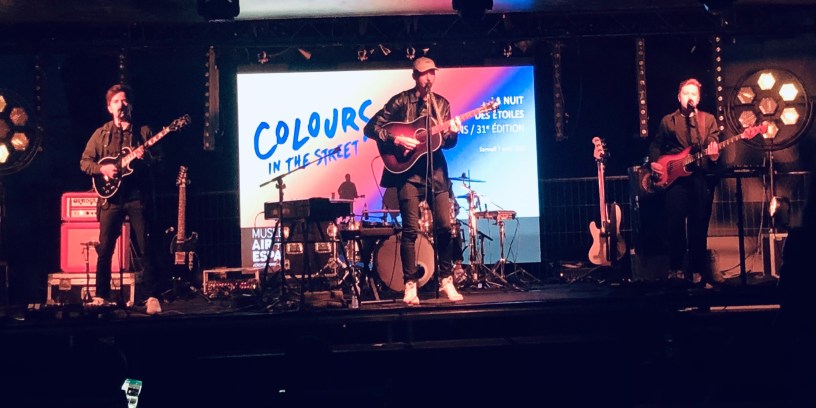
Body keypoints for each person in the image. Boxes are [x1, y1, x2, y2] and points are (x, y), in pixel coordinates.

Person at [364, 56, 463, 304]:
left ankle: (446, 279)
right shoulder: (400, 100)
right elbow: (371, 128)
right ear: (415, 76)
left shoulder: (441, 105)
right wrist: (396, 139)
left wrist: (452, 132)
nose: (429, 78)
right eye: (423, 73)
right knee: (410, 230)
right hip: (408, 175)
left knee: (444, 227)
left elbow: (447, 144)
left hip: (436, 175)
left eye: (432, 73)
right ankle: (410, 284)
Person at [80, 84, 164, 314]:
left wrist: (146, 158)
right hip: (111, 199)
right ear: (109, 108)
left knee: (145, 247)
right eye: (116, 101)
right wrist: (103, 169)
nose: (121, 105)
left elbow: (160, 163)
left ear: (131, 105)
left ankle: (152, 296)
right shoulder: (101, 133)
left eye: (125, 101)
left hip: (137, 197)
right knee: (105, 248)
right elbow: (84, 162)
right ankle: (101, 296)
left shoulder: (143, 132)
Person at [649, 78, 720, 288]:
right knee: (675, 225)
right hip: (675, 180)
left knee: (699, 226)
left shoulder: (708, 120)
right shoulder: (668, 121)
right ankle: (676, 269)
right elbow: (656, 144)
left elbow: (712, 143)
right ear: (679, 97)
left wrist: (714, 156)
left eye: (694, 94)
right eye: (686, 93)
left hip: (700, 178)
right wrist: (655, 162)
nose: (690, 96)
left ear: (698, 98)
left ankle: (697, 271)